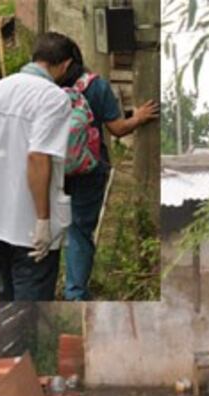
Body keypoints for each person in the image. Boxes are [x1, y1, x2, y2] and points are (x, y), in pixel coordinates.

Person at [0, 32, 76, 301]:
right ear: (65, 65)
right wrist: (43, 220)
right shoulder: (54, 98)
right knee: (32, 298)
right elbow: (37, 157)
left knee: (6, 294)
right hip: (28, 222)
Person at [59, 42, 159, 301]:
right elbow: (118, 129)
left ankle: (45, 286)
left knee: (48, 225)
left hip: (51, 168)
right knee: (80, 230)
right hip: (89, 169)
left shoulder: (45, 88)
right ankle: (75, 292)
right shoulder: (96, 87)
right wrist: (139, 117)